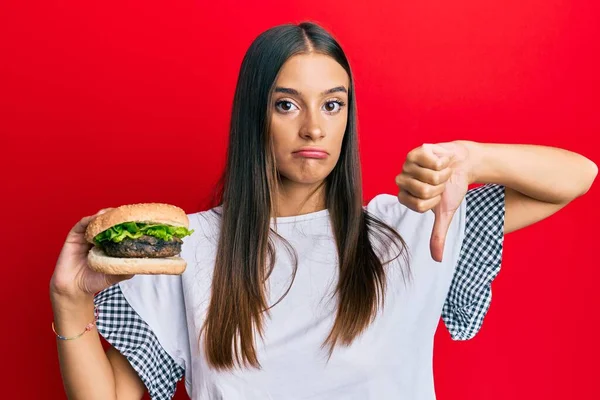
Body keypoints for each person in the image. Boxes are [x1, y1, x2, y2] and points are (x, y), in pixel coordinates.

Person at [49, 22, 597, 400]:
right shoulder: (186, 248)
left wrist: (470, 158)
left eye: (332, 104)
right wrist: (70, 301)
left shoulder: (405, 228)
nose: (314, 127)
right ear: (254, 116)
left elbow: (577, 176)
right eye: (287, 104)